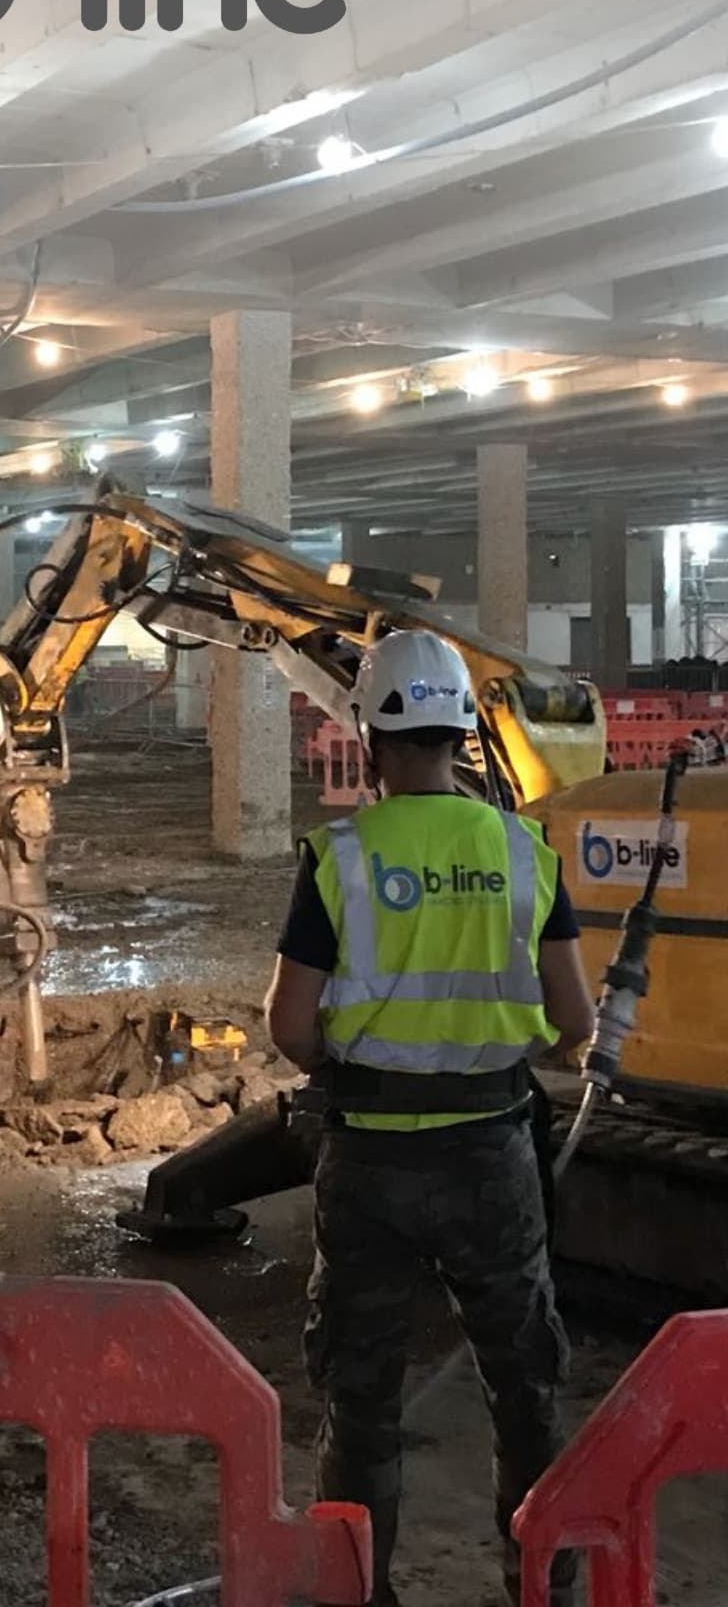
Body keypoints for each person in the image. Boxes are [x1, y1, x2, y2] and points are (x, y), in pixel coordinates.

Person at [265, 630, 594, 1607]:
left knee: (360, 1401)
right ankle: (544, 1586)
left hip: (367, 1165)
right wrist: (489, 1043)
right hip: (491, 1156)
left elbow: (291, 1027)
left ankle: (360, 1591)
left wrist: (371, 1049)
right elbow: (573, 1024)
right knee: (525, 1389)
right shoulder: (521, 850)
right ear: (464, 730)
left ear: (369, 735)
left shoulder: (341, 856)